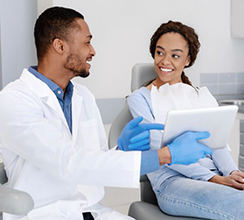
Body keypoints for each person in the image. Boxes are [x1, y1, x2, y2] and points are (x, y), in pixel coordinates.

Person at [0, 8, 213, 220]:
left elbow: (95, 163)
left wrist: (121, 150)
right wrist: (165, 155)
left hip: (93, 211)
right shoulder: (15, 100)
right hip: (44, 214)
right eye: (86, 42)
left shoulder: (83, 96)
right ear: (60, 45)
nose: (92, 51)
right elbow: (68, 162)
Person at [127, 20, 244, 220]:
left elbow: (217, 144)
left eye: (175, 55)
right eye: (160, 52)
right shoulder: (140, 99)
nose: (165, 61)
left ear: (188, 60)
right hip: (173, 182)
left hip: (216, 173)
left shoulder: (200, 96)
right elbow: (161, 150)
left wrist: (232, 173)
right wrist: (214, 179)